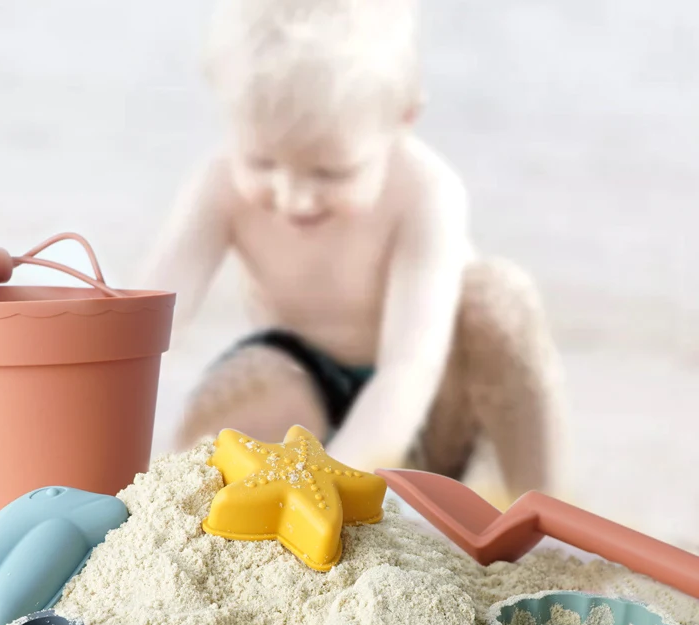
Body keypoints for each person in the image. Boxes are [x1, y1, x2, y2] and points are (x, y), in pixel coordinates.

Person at [138, 0, 567, 503]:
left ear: (403, 119)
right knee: (231, 411)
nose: (293, 197)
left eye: (329, 172)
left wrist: (330, 483)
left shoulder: (424, 191)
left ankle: (542, 511)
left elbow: (411, 366)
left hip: (433, 406)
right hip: (310, 382)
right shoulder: (219, 184)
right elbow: (147, 319)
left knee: (498, 297)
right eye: (261, 161)